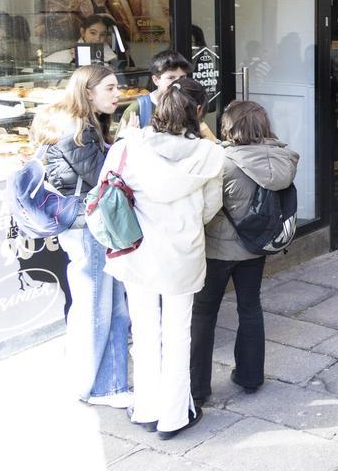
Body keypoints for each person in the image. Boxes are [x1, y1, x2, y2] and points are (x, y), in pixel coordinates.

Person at [103, 77, 224, 438]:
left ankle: (146, 407)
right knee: (178, 331)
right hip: (181, 250)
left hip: (136, 248)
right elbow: (209, 209)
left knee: (143, 329)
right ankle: (174, 415)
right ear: (198, 112)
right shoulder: (211, 154)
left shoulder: (128, 145)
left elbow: (107, 189)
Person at [190, 101, 299, 406]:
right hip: (255, 246)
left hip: (217, 249)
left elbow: (207, 208)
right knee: (249, 308)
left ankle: (197, 386)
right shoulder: (282, 158)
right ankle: (250, 376)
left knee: (203, 312)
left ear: (229, 127)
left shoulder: (221, 163)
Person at [38, 64, 129, 407]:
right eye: (109, 88)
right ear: (87, 92)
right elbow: (100, 176)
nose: (117, 94)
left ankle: (111, 385)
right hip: (87, 223)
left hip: (91, 221)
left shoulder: (84, 124)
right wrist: (123, 144)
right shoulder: (76, 128)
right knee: (95, 307)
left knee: (114, 308)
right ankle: (86, 384)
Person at [117, 50, 192, 131]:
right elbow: (119, 143)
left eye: (182, 77)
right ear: (156, 80)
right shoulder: (139, 108)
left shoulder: (189, 104)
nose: (178, 83)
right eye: (171, 78)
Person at [45, 14, 120, 66]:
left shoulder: (112, 58)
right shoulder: (63, 57)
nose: (97, 39)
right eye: (93, 33)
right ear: (83, 32)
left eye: (102, 34)